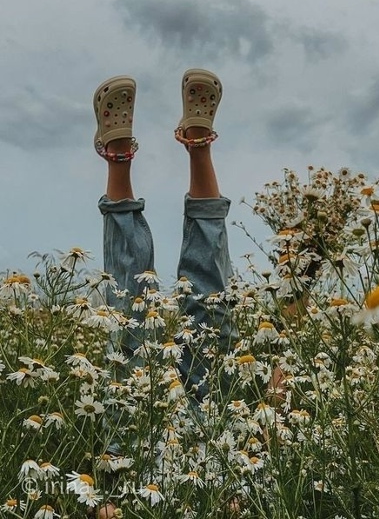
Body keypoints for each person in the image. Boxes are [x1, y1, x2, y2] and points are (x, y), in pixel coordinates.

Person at [93, 69, 238, 517]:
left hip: (133, 455)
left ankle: (117, 153)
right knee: (211, 312)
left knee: (129, 314)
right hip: (208, 457)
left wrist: (109, 503)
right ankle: (199, 142)